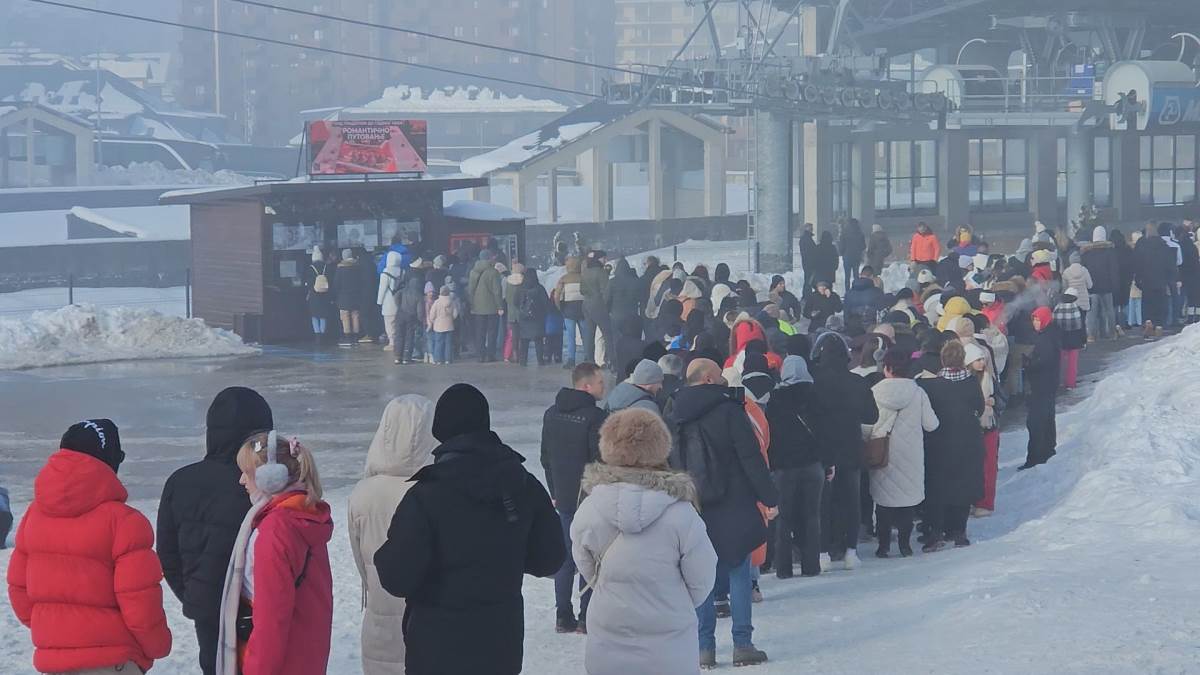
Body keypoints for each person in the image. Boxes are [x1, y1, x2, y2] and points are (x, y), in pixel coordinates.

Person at [376, 384, 564, 675]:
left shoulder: (426, 495)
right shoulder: (524, 485)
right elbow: (550, 558)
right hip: (501, 644)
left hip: (436, 647)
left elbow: (396, 577)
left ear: (440, 431)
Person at [8, 420, 172, 675]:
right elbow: (140, 603)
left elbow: (20, 592)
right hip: (112, 661)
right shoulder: (125, 522)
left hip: (55, 663)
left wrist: (57, 633)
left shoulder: (33, 516)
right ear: (110, 462)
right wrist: (157, 647)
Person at [571, 409, 717, 675]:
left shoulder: (590, 508)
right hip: (669, 639)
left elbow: (586, 566)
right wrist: (673, 601)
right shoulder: (682, 513)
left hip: (609, 631)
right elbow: (703, 577)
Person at [668, 358, 778, 669]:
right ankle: (742, 644)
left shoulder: (674, 412)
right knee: (739, 571)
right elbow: (750, 458)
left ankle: (704, 648)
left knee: (700, 576)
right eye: (718, 378)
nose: (724, 383)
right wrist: (768, 496)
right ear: (705, 379)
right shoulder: (730, 411)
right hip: (734, 502)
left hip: (693, 505)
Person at [159, 386, 274, 675]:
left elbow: (167, 553)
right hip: (259, 610)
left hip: (207, 608)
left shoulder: (180, 481)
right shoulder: (261, 483)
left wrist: (194, 594)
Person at [217, 431, 333, 675]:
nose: (241, 481)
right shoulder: (305, 516)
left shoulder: (274, 531)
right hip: (305, 657)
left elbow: (271, 620)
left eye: (247, 473)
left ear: (270, 478)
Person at [348, 396, 437, 674]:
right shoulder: (438, 491)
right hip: (429, 622)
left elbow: (361, 564)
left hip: (380, 626)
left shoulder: (363, 493)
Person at [541, 364, 608, 633]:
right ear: (586, 386)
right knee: (590, 556)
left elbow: (545, 457)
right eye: (601, 382)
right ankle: (585, 617)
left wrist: (555, 491)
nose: (605, 386)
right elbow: (599, 460)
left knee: (567, 558)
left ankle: (562, 616)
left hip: (564, 497)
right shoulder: (596, 417)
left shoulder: (551, 414)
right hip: (590, 497)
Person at [811, 336, 879, 570]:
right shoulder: (858, 382)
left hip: (822, 450)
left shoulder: (814, 382)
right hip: (851, 448)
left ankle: (822, 552)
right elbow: (872, 416)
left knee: (823, 503)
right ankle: (850, 551)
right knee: (851, 501)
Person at [868, 349, 939, 558]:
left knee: (883, 502)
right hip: (911, 456)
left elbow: (866, 426)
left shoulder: (874, 391)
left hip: (882, 453)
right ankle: (904, 545)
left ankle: (883, 546)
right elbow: (931, 424)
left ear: (886, 368)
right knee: (906, 503)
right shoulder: (918, 393)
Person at [764, 355, 829, 578]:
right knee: (812, 516)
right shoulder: (816, 396)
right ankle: (811, 565)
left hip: (783, 466)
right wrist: (827, 462)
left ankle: (783, 568)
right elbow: (824, 435)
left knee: (784, 516)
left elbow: (769, 435)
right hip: (812, 465)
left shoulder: (775, 399)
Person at [916, 340, 984, 552]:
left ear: (943, 360)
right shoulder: (972, 382)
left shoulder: (929, 386)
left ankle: (935, 532)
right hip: (967, 441)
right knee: (963, 484)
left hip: (938, 442)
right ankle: (959, 531)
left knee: (937, 487)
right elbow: (979, 408)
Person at [1021, 307, 1060, 470]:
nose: (1035, 323)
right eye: (1034, 319)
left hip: (1041, 385)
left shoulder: (1045, 339)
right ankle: (1047, 449)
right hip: (1047, 385)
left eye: (1038, 320)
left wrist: (1028, 364)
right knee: (1047, 418)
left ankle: (1036, 456)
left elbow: (1045, 361)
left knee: (1036, 422)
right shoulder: (1049, 334)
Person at [965, 343, 999, 518]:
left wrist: (992, 402)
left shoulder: (989, 379)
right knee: (972, 467)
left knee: (988, 466)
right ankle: (972, 499)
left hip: (988, 427)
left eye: (983, 359)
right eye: (978, 359)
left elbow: (1000, 400)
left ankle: (985, 502)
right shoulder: (965, 381)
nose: (982, 363)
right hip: (971, 428)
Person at [1080, 226, 1120, 341]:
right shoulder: (1110, 252)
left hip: (1091, 287)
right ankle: (1112, 333)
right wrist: (1115, 285)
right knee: (1109, 311)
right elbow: (1114, 270)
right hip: (1107, 286)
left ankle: (1091, 335)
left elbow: (1084, 269)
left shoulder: (1087, 253)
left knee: (1091, 313)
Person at [470, 250, 505, 362]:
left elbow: (471, 290)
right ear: (489, 258)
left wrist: (473, 304)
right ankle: (490, 355)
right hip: (491, 307)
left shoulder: (473, 272)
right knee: (492, 332)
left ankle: (480, 355)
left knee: (480, 332)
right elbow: (497, 291)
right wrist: (500, 306)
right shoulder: (493, 272)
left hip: (477, 307)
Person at [582, 254, 612, 367]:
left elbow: (582, 290)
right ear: (598, 259)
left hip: (586, 305)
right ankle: (612, 361)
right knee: (607, 333)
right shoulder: (601, 272)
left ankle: (589, 359)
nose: (606, 260)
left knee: (590, 333)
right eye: (604, 258)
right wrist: (604, 304)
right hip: (598, 305)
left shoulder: (585, 271)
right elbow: (606, 291)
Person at [393, 259, 426, 365]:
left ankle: (398, 357)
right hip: (411, 316)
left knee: (399, 335)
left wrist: (399, 307)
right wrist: (421, 320)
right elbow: (420, 311)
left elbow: (396, 298)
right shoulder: (419, 295)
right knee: (409, 337)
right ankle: (407, 357)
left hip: (400, 314)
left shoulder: (403, 290)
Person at [516, 269, 550, 366]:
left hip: (524, 318)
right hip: (537, 317)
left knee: (524, 340)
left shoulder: (520, 288)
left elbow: (515, 301)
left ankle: (523, 361)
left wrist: (522, 310)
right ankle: (540, 360)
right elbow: (546, 303)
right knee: (538, 340)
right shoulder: (540, 288)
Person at [1054, 288, 1086, 390]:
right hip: (1075, 340)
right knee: (1072, 364)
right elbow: (1082, 327)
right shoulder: (1078, 309)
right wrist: (1083, 340)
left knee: (1059, 363)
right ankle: (1070, 384)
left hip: (1060, 339)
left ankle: (1057, 382)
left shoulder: (1057, 307)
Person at [376, 251, 405, 351]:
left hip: (388, 302)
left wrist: (379, 301)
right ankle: (400, 341)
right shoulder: (402, 271)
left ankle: (392, 343)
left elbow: (382, 288)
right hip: (400, 301)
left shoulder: (385, 272)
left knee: (389, 322)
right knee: (398, 323)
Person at [336, 249, 364, 345]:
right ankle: (356, 336)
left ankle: (347, 337)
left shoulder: (340, 269)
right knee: (355, 315)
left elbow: (336, 284)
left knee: (345, 316)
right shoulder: (358, 267)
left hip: (344, 296)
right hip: (356, 296)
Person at [305, 246, 334, 343]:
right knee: (323, 316)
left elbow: (308, 283)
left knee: (314, 316)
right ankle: (323, 334)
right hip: (325, 295)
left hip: (314, 295)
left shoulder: (310, 268)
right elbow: (330, 281)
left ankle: (317, 335)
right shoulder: (326, 267)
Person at [427, 285, 458, 365]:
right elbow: (455, 314)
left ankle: (438, 360)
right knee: (448, 343)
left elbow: (432, 314)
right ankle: (448, 359)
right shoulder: (452, 301)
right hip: (449, 325)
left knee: (439, 343)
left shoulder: (437, 302)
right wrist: (451, 319)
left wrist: (434, 321)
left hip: (438, 326)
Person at [1111, 228, 1135, 329]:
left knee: (1115, 302)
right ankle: (1125, 321)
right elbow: (1132, 263)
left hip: (1114, 279)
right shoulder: (1127, 249)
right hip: (1126, 278)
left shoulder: (1111, 250)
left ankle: (1116, 322)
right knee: (1125, 301)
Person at [839, 218, 867, 294]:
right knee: (856, 275)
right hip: (856, 257)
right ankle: (857, 290)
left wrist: (842, 253)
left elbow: (841, 246)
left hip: (847, 257)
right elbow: (863, 246)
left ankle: (847, 291)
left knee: (847, 276)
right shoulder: (860, 233)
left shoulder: (844, 232)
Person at [797, 223, 818, 299]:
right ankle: (807, 295)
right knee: (809, 280)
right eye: (810, 228)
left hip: (806, 263)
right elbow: (811, 252)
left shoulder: (805, 239)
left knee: (808, 279)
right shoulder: (807, 239)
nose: (812, 229)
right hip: (810, 263)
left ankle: (806, 295)